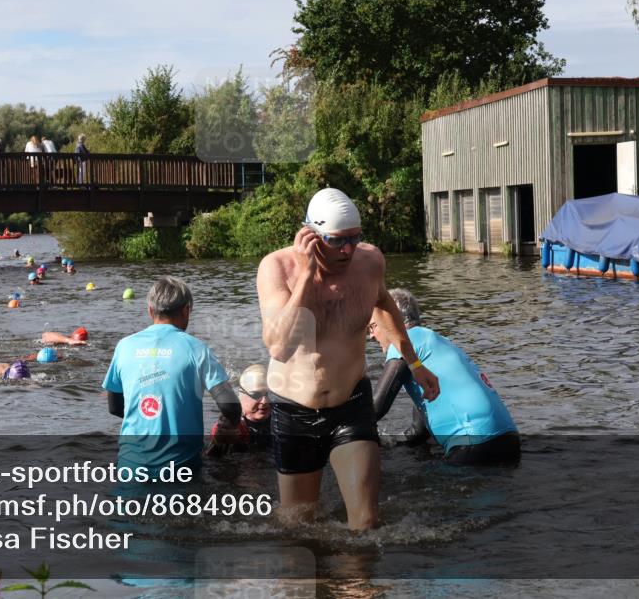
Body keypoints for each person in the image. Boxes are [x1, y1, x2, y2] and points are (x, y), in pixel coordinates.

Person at [256, 187, 440, 531]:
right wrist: (307, 274)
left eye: (355, 238)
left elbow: (384, 306)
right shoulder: (276, 268)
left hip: (350, 405)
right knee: (298, 526)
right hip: (294, 410)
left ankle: (357, 584)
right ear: (310, 236)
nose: (348, 249)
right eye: (338, 240)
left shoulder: (369, 261)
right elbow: (280, 346)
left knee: (367, 524)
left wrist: (415, 364)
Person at [103, 276, 241, 472]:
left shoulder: (124, 346)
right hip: (181, 467)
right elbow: (231, 406)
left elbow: (115, 407)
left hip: (130, 466)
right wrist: (227, 431)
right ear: (186, 310)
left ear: (150, 310)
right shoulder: (197, 349)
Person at [369, 289, 520, 466]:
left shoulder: (405, 343)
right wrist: (386, 443)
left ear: (392, 320)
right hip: (509, 441)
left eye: (373, 326)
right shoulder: (435, 343)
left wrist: (336, 432)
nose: (371, 336)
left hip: (474, 443)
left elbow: (376, 408)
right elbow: (418, 432)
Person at [206, 364, 273, 456]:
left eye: (269, 394)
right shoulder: (228, 427)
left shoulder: (281, 419)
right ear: (241, 397)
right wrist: (218, 443)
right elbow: (210, 462)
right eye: (256, 395)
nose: (265, 401)